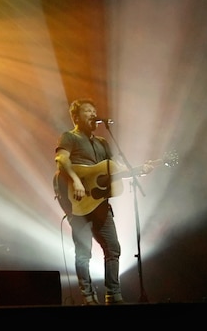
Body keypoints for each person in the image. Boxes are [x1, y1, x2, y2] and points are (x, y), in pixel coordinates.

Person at [53, 98, 153, 305]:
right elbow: (61, 160)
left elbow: (114, 170)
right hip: (76, 202)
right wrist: (76, 180)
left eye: (94, 110)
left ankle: (113, 295)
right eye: (87, 111)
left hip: (99, 204)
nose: (92, 114)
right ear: (76, 117)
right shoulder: (69, 137)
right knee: (83, 252)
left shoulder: (103, 143)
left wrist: (139, 171)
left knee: (113, 248)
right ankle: (88, 296)